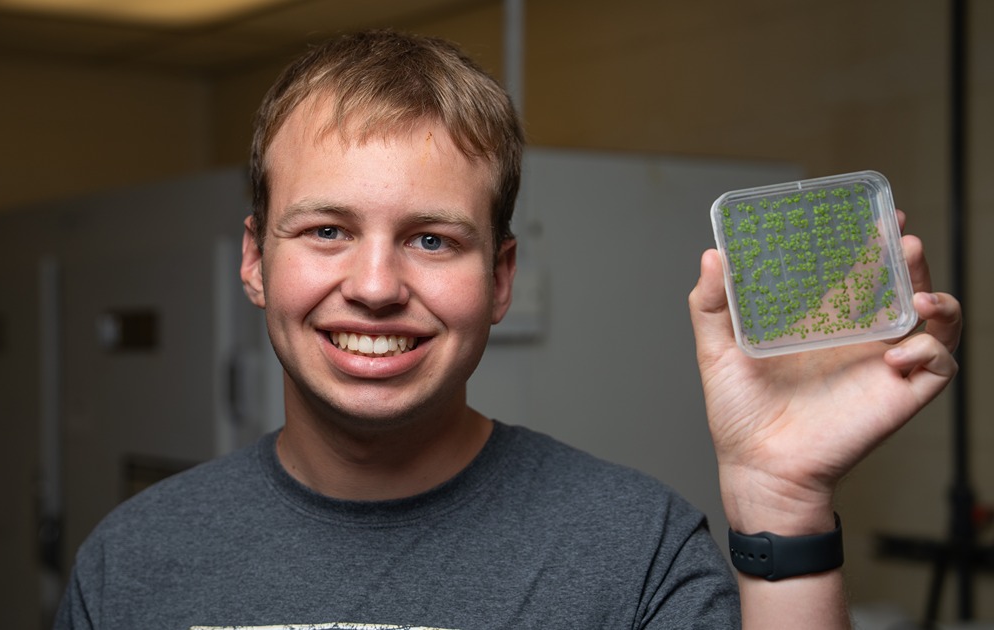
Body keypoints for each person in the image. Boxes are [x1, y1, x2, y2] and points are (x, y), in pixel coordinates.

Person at [54, 30, 961, 629]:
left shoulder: (634, 552)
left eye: (432, 239)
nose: (375, 287)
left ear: (498, 279)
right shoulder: (134, 562)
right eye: (326, 230)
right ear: (256, 260)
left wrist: (784, 502)